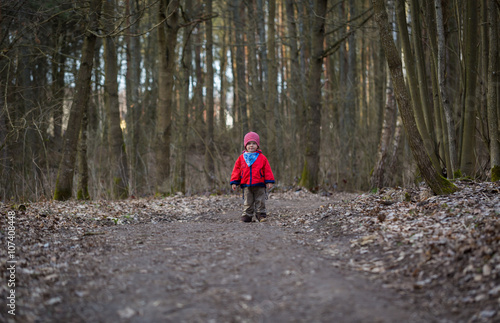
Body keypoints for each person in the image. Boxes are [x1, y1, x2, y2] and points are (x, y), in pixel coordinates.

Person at [230, 132, 275, 222]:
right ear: (245, 145)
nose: (251, 145)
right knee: (248, 201)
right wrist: (235, 182)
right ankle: (247, 215)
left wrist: (269, 181)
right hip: (246, 183)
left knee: (260, 200)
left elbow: (267, 170)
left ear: (257, 145)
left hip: (259, 184)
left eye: (254, 143)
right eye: (249, 143)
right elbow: (236, 170)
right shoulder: (241, 158)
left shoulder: (262, 158)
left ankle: (261, 215)